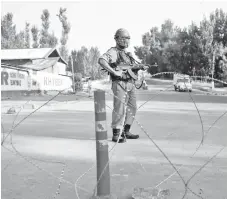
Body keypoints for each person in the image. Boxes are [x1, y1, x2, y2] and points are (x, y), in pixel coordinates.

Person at [98, 28, 139, 143]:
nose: (127, 41)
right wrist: (114, 72)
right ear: (118, 39)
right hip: (120, 83)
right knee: (119, 108)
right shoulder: (113, 52)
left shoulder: (127, 54)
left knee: (133, 107)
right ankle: (116, 133)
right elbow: (101, 60)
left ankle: (126, 130)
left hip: (130, 84)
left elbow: (130, 68)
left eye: (128, 38)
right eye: (124, 38)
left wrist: (139, 67)